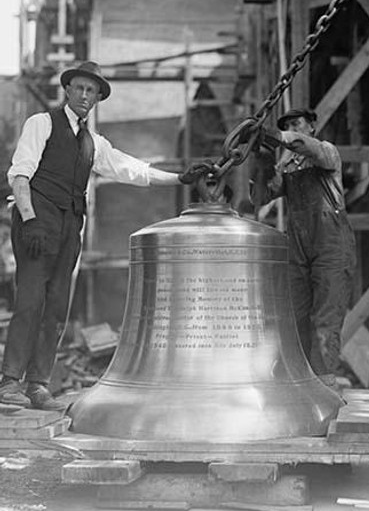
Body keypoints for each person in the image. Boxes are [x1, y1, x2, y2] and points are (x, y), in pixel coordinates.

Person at [0, 61, 211, 410]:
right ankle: (9, 382)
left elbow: (131, 169)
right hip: (38, 222)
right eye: (80, 88)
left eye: (92, 91)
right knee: (31, 300)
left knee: (57, 306)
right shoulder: (42, 123)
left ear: (97, 98)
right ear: (68, 90)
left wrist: (179, 179)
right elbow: (20, 175)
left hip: (70, 227)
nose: (85, 95)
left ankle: (37, 385)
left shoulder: (93, 143)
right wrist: (30, 218)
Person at [249, 108, 356, 387]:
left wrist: (278, 135)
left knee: (325, 319)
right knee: (295, 317)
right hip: (299, 247)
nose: (293, 129)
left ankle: (324, 386)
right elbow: (261, 197)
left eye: (297, 125)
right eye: (287, 125)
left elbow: (311, 150)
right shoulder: (288, 167)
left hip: (331, 245)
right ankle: (296, 382)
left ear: (311, 128)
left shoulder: (326, 152)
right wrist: (261, 159)